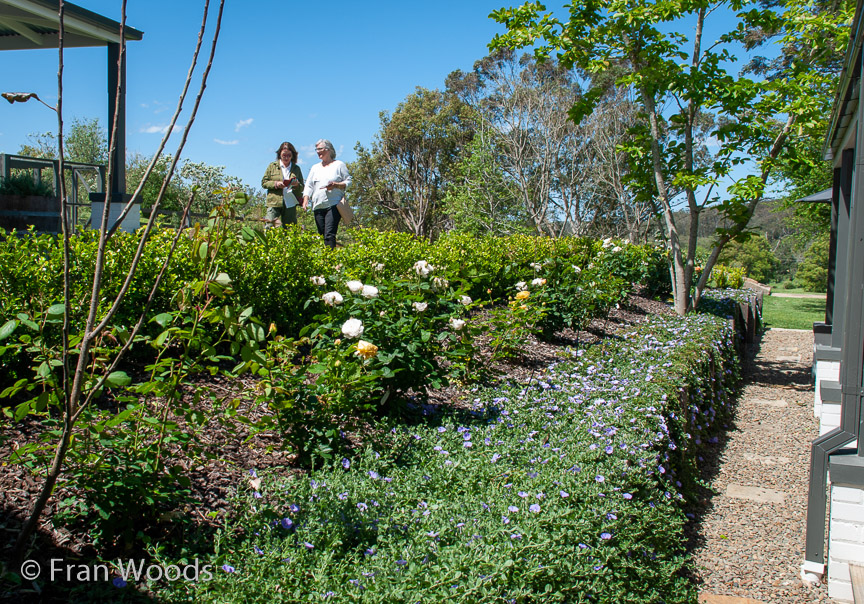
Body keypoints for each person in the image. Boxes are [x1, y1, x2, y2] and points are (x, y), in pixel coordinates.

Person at [302, 139, 351, 248]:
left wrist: (336, 185)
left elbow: (349, 182)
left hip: (333, 205)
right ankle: (324, 259)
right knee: (321, 235)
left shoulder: (339, 165)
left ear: (328, 150)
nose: (317, 152)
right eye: (316, 149)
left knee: (329, 234)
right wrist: (305, 199)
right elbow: (309, 185)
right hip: (318, 205)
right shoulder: (315, 168)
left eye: (320, 149)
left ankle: (330, 262)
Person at [261, 141, 304, 228]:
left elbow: (302, 187)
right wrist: (276, 184)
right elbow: (264, 182)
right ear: (279, 154)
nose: (286, 157)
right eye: (284, 155)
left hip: (290, 202)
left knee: (290, 229)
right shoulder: (272, 166)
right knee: (270, 226)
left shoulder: (296, 168)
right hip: (274, 201)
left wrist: (296, 185)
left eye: (289, 155)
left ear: (293, 155)